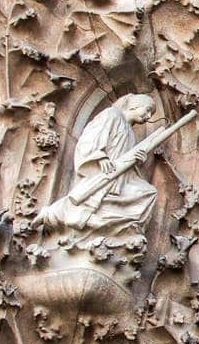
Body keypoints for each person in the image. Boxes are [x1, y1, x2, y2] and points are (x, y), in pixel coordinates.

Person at [35, 94, 160, 241]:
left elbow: (126, 159)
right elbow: (92, 136)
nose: (149, 116)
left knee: (148, 192)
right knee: (86, 199)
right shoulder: (112, 114)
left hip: (119, 177)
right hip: (104, 171)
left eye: (151, 113)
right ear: (134, 106)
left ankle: (120, 231)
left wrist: (138, 160)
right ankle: (53, 214)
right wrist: (99, 156)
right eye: (147, 110)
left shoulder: (131, 134)